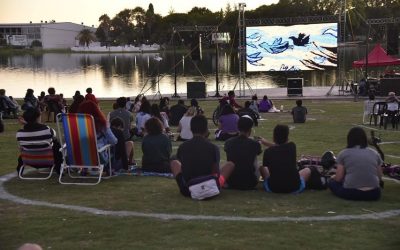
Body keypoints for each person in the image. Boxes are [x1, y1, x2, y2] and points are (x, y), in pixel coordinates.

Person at [170, 115, 234, 197]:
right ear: (206, 130)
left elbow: (183, 168)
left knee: (174, 162)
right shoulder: (213, 148)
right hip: (210, 188)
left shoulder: (183, 147)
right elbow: (216, 173)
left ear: (191, 129)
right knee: (229, 165)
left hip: (189, 189)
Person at [328, 127, 383, 201]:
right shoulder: (374, 153)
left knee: (332, 183)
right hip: (374, 193)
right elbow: (379, 177)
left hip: (352, 192)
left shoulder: (344, 153)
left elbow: (338, 178)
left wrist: (333, 177)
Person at [259, 124, 311, 193]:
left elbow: (267, 167)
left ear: (274, 137)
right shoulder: (292, 146)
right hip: (294, 187)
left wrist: (266, 143)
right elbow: (280, 147)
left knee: (262, 168)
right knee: (307, 170)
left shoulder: (268, 152)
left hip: (273, 188)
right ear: (287, 137)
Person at [16, 108, 63, 174]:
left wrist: (26, 124)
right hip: (48, 160)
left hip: (29, 160)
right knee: (56, 144)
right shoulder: (47, 130)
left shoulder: (20, 133)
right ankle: (58, 168)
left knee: (24, 148)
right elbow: (54, 136)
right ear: (38, 117)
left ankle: (19, 169)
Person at [224, 115, 262, 190]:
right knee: (255, 159)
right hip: (250, 182)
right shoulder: (255, 144)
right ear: (250, 129)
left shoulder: (228, 142)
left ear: (238, 127)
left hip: (232, 181)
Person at [77, 100, 117, 168]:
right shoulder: (100, 125)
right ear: (96, 111)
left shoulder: (77, 125)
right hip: (98, 158)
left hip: (80, 157)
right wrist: (108, 127)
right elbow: (114, 141)